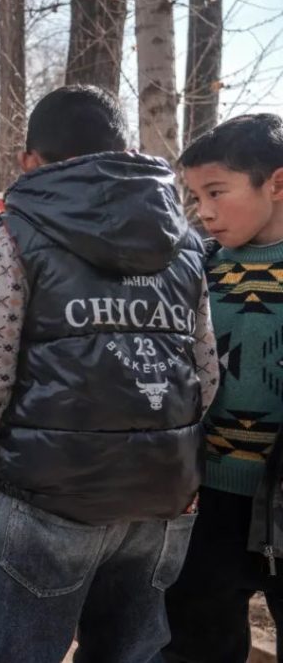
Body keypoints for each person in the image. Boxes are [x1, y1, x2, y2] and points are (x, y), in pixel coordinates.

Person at [0, 85, 219, 662]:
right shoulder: (186, 241)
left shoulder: (14, 231)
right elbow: (205, 374)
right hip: (161, 496)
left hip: (50, 496)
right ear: (121, 148)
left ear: (30, 161)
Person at [163, 113, 283, 663]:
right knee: (196, 639)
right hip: (206, 501)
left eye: (216, 192)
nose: (203, 212)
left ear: (276, 183)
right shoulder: (195, 272)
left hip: (279, 498)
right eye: (196, 196)